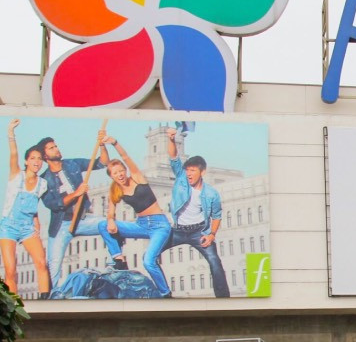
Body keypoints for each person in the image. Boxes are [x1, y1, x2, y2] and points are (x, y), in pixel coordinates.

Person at [97, 135, 173, 297]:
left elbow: (125, 157)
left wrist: (115, 143)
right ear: (111, 176)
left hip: (160, 225)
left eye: (121, 171)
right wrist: (110, 220)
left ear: (125, 170)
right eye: (115, 173)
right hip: (141, 225)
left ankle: (165, 293)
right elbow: (110, 211)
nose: (120, 175)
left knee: (148, 261)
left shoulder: (137, 178)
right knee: (103, 225)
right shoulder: (115, 190)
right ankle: (119, 259)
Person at [38, 123, 110, 291]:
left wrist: (102, 145)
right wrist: (76, 194)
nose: (56, 149)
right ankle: (52, 296)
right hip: (61, 225)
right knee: (53, 265)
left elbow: (102, 163)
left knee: (109, 225)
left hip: (82, 219)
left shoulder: (72, 164)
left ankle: (115, 261)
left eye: (56, 146)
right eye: (51, 148)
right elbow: (53, 204)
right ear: (45, 156)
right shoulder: (43, 180)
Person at [160, 126, 229, 297]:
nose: (189, 174)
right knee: (150, 255)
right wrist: (171, 139)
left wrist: (211, 235)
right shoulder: (181, 179)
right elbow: (174, 157)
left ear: (202, 171)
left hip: (199, 232)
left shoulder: (211, 194)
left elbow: (217, 216)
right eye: (187, 170)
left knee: (215, 262)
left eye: (193, 170)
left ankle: (224, 300)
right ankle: (164, 293)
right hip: (177, 231)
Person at [0, 118, 51, 297]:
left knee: (41, 262)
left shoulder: (42, 184)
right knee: (10, 270)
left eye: (40, 159)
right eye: (33, 158)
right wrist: (11, 133)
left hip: (28, 228)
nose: (37, 162)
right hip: (9, 226)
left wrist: (37, 223)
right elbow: (13, 154)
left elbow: (33, 206)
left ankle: (45, 300)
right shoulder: (16, 175)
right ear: (27, 161)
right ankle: (13, 303)